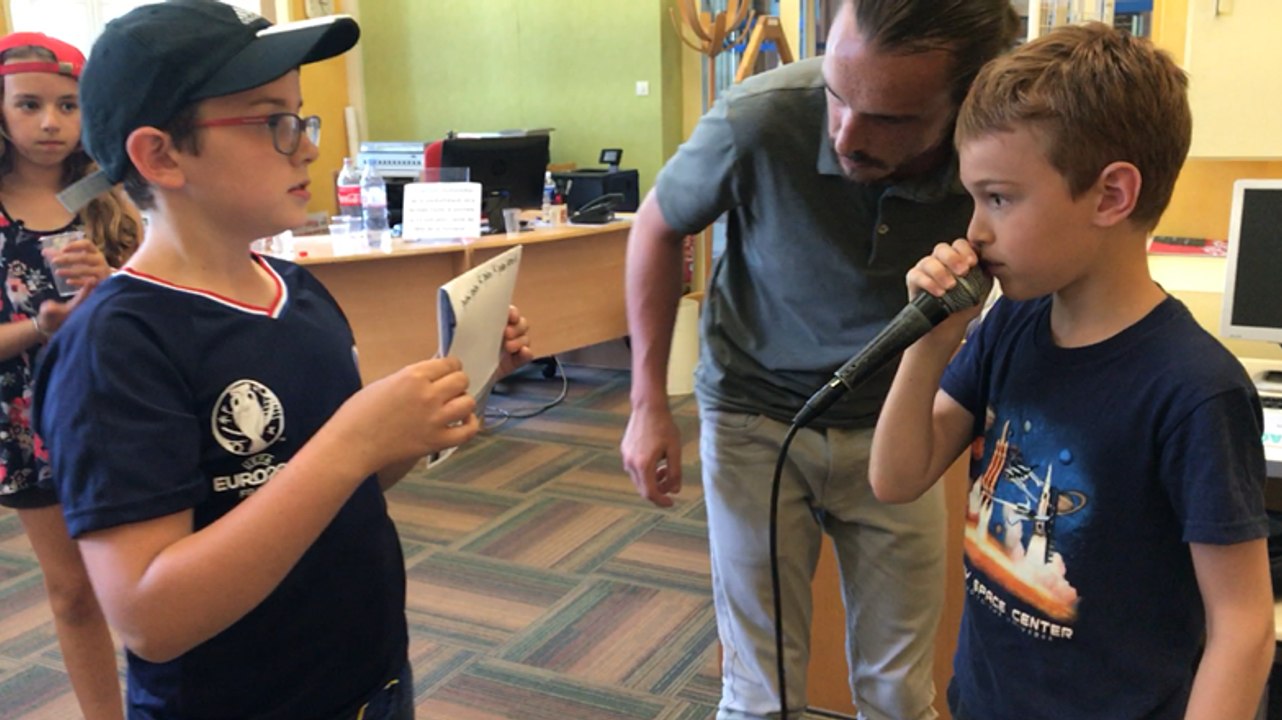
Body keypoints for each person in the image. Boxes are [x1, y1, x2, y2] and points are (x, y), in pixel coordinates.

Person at [31, 2, 530, 718]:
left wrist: (434, 403)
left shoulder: (295, 290)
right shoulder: (116, 345)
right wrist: (349, 442)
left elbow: (337, 484)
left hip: (370, 680)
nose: (307, 148)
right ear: (160, 155)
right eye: (274, 122)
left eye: (303, 118)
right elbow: (151, 618)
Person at [620, 0, 1019, 716]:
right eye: (836, 95)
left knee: (899, 690)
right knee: (759, 688)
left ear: (964, 104)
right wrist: (648, 402)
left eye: (889, 118)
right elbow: (655, 228)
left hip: (901, 429)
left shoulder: (996, 147)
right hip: (755, 416)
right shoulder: (759, 117)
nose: (846, 133)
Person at [869, 22, 1275, 720]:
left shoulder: (1193, 390)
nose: (975, 233)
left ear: (1111, 196)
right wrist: (929, 344)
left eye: (999, 198)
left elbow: (1242, 628)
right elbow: (896, 477)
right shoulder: (1011, 325)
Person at [0, 30, 141, 720]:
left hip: (120, 405)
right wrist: (44, 327)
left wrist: (113, 285)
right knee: (74, 592)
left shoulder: (106, 195)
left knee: (153, 577)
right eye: (28, 105)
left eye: (67, 105)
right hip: (27, 421)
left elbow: (159, 299)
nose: (50, 123)